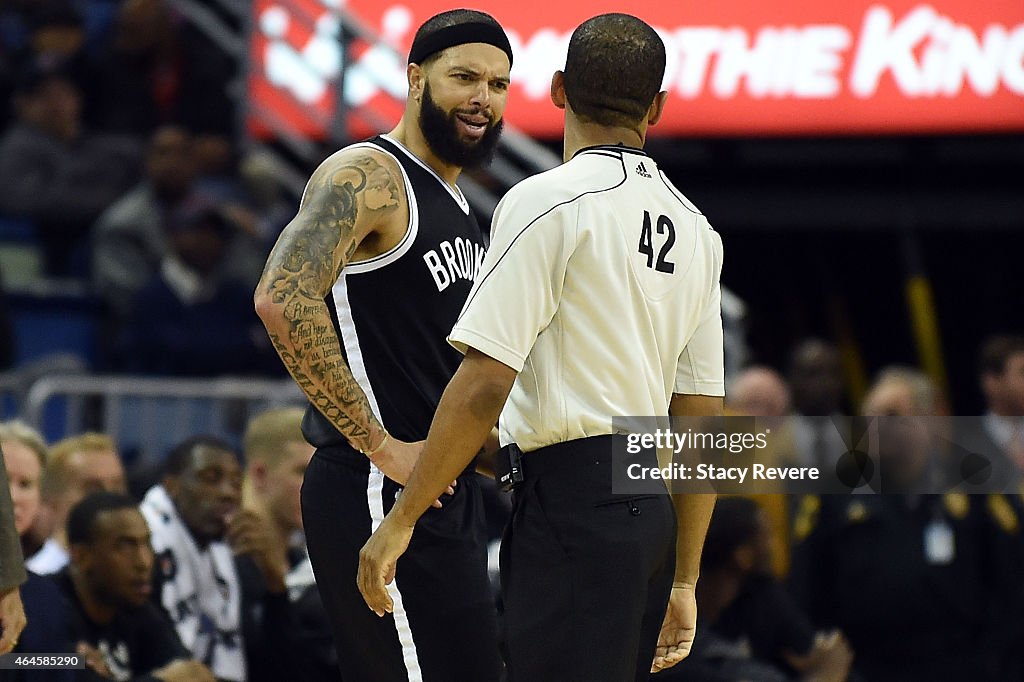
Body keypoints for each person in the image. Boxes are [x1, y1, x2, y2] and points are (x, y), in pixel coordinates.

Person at [358, 14, 723, 681]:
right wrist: (685, 579)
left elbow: (485, 382)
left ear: (557, 90)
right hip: (651, 515)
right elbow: (702, 419)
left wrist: (401, 519)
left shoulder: (545, 201)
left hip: (575, 509)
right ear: (658, 108)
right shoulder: (698, 229)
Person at [254, 8, 512, 681]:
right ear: (415, 77)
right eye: (464, 77)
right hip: (374, 483)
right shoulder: (369, 173)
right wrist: (377, 442)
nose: (483, 97)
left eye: (498, 84)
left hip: (435, 492)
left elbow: (433, 372)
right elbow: (281, 296)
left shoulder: (458, 202)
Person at [140, 436, 291, 682]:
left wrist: (275, 584)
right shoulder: (144, 554)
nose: (228, 493)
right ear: (171, 486)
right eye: (211, 478)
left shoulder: (235, 557)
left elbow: (278, 670)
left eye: (235, 482)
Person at [58, 491, 215, 681]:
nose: (144, 562)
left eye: (147, 543)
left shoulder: (136, 608)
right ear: (81, 556)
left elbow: (188, 673)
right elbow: (15, 662)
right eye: (125, 546)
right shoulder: (45, 604)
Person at [242, 408, 339, 682]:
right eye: (302, 471)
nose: (317, 486)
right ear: (260, 473)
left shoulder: (301, 560)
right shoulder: (226, 559)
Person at [26, 433, 127, 575]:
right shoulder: (35, 579)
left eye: (117, 485)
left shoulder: (141, 577)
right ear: (52, 499)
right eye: (93, 488)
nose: (109, 497)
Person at [0, 433, 30, 655]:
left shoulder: (49, 596)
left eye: (26, 484)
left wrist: (75, 662)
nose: (14, 497)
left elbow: (56, 663)